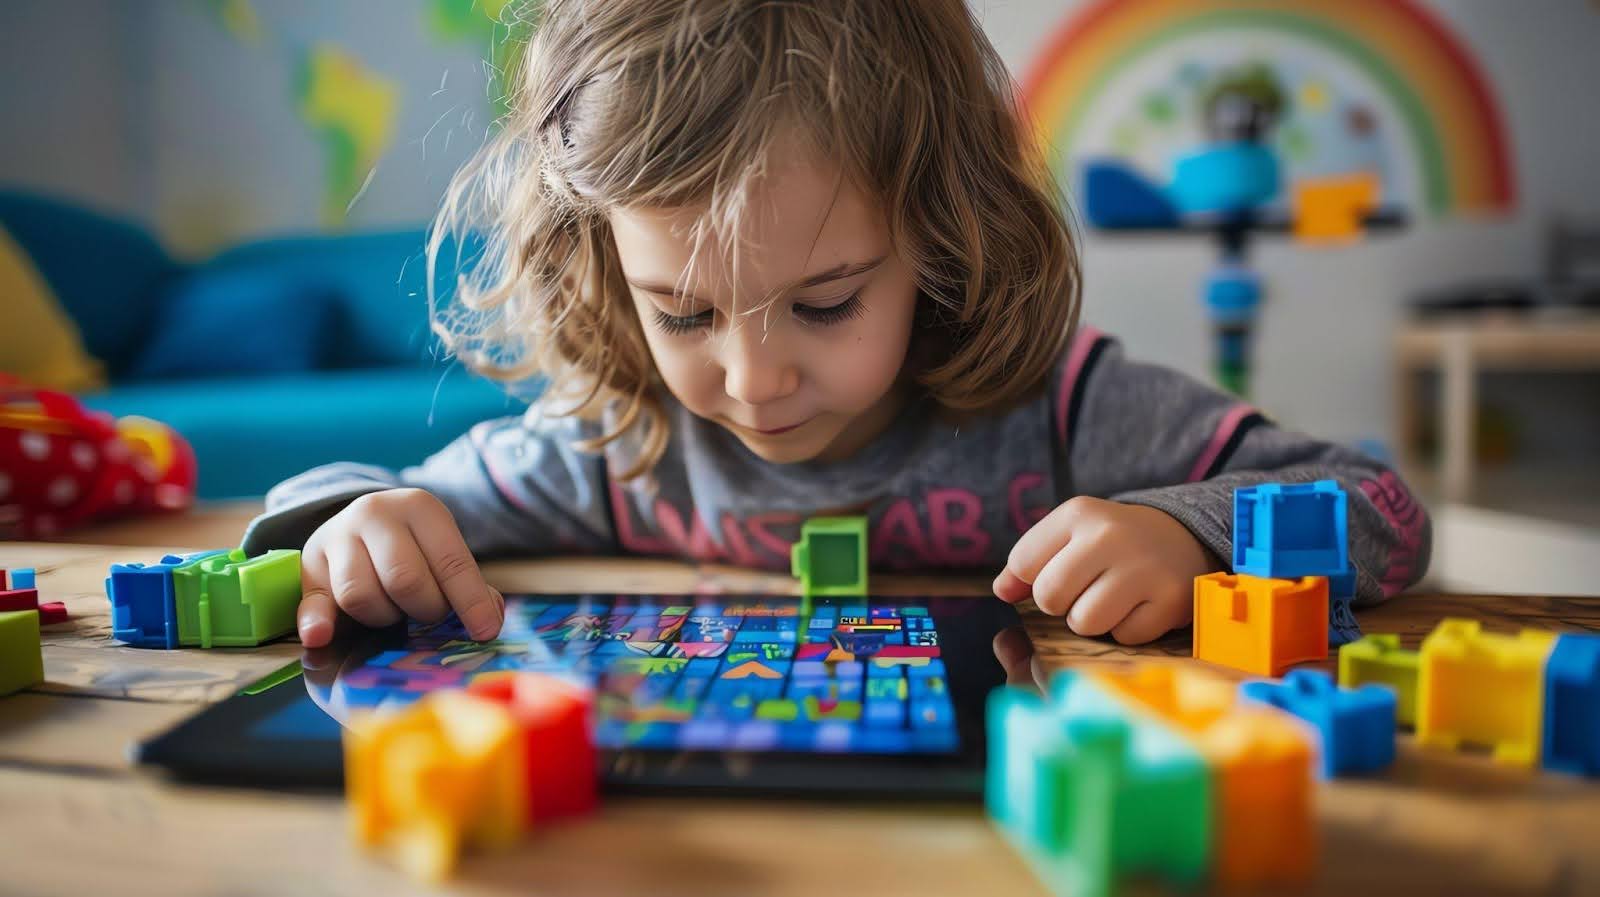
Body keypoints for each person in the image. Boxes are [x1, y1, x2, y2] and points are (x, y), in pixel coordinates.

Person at [242, 0, 1430, 650]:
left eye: (824, 303)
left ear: (943, 239)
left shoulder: (1068, 409)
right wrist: (356, 519)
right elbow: (395, 505)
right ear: (605, 266)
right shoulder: (616, 447)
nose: (753, 380)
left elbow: (1378, 508)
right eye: (685, 311)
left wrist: (1192, 536)